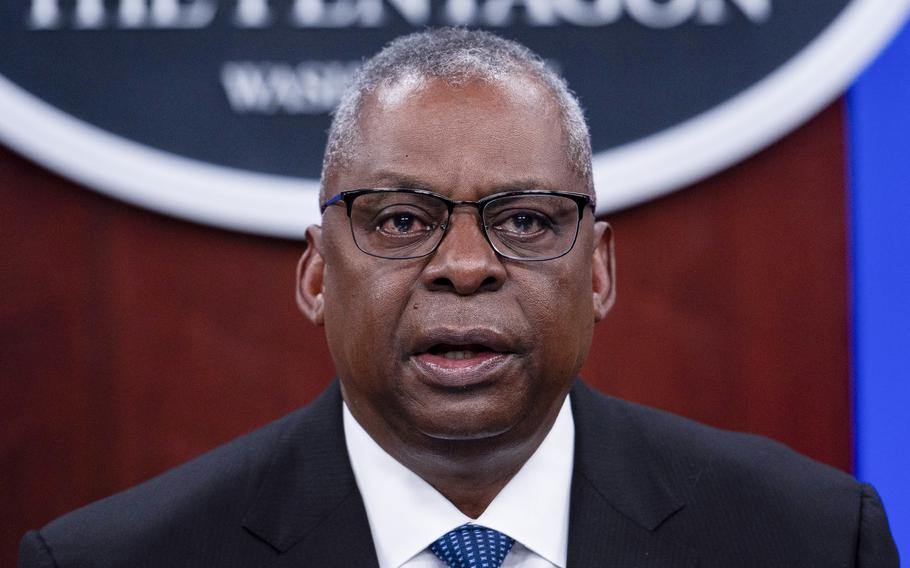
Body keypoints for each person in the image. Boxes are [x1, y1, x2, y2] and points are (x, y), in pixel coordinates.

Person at [20, 28, 898, 568]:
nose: (467, 265)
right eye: (401, 220)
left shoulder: (808, 540)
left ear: (598, 272)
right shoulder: (119, 558)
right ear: (317, 276)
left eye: (523, 220)